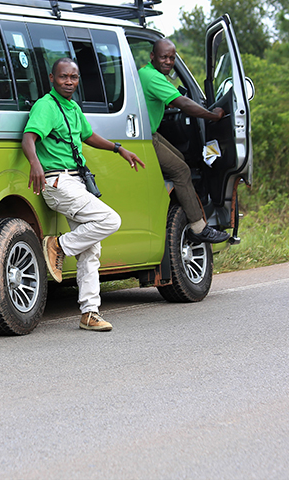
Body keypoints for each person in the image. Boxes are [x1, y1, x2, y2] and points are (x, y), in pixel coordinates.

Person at [22, 58, 145, 332]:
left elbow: (88, 136)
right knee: (110, 220)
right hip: (58, 182)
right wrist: (35, 164)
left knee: (91, 248)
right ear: (52, 78)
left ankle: (89, 313)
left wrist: (118, 148)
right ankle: (58, 246)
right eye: (64, 76)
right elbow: (29, 138)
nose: (69, 82)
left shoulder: (73, 107)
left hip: (76, 181)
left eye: (74, 77)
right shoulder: (46, 106)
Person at [138, 38, 230, 245]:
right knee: (181, 170)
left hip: (149, 133)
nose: (168, 62)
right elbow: (185, 104)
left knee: (179, 158)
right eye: (163, 57)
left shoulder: (147, 72)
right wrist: (212, 115)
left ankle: (179, 208)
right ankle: (199, 227)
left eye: (172, 58)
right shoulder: (153, 77)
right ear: (153, 56)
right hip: (144, 137)